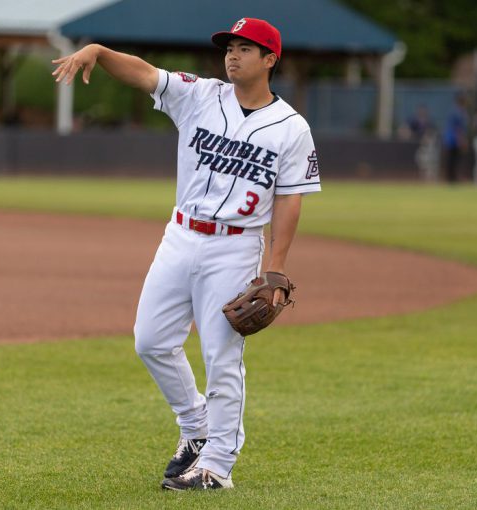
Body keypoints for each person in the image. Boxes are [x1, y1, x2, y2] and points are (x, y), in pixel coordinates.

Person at [51, 17, 321, 491]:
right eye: (229, 47)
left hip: (236, 245)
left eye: (245, 48)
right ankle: (195, 428)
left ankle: (217, 466)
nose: (232, 54)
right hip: (180, 235)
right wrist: (98, 50)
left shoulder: (291, 128)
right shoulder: (201, 95)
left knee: (221, 355)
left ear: (270, 59)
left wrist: (274, 269)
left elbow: (290, 199)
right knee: (150, 341)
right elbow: (144, 73)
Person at [443, 93, 469, 183]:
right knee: (454, 159)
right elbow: (458, 128)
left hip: (451, 139)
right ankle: (452, 178)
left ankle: (452, 177)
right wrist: (461, 140)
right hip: (453, 139)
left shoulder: (456, 111)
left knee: (453, 159)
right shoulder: (458, 112)